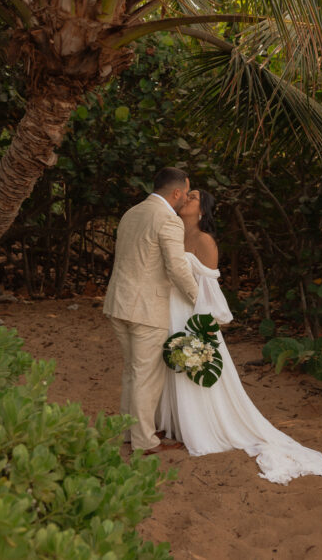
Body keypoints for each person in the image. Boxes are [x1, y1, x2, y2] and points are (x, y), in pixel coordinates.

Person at [157, 189, 322, 484]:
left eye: (195, 197)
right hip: (167, 310)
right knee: (168, 367)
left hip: (191, 314)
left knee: (194, 369)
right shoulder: (172, 233)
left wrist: (202, 328)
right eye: (187, 194)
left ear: (203, 211)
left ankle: (200, 426)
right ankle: (173, 424)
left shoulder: (205, 241)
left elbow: (209, 291)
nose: (187, 197)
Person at [104, 167, 199, 454]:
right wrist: (198, 298)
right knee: (146, 375)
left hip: (118, 302)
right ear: (177, 192)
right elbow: (177, 267)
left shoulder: (131, 213)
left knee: (133, 371)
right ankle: (145, 440)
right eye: (186, 193)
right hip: (146, 307)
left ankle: (128, 431)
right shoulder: (168, 219)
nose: (186, 200)